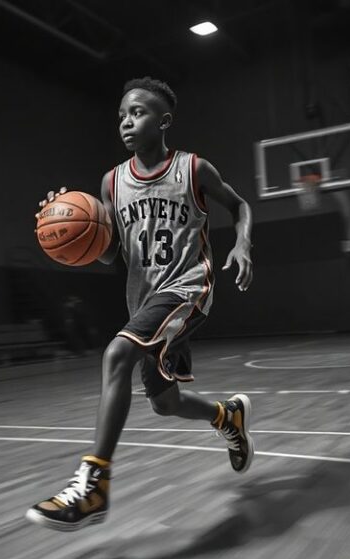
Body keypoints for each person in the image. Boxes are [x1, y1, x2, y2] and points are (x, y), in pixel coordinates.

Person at [26, 77, 254, 531]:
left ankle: (94, 486)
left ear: (164, 121)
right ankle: (227, 416)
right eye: (122, 116)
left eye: (138, 113)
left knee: (116, 354)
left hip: (189, 288)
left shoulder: (193, 169)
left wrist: (243, 244)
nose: (127, 122)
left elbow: (240, 205)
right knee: (165, 403)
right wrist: (68, 235)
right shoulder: (111, 183)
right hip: (146, 301)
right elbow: (115, 252)